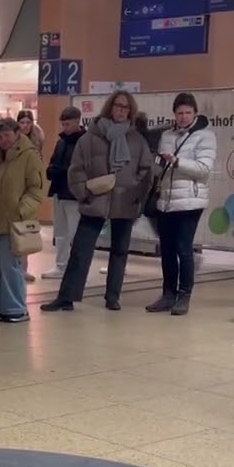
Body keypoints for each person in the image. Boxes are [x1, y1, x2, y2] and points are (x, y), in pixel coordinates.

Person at [41, 90, 152, 313]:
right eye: (118, 106)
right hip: (96, 201)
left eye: (125, 107)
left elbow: (146, 170)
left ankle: (113, 296)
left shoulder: (136, 140)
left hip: (124, 203)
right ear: (110, 107)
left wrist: (135, 192)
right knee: (81, 250)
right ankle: (67, 297)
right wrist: (84, 192)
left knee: (120, 251)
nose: (121, 110)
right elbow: (77, 169)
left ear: (130, 111)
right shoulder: (90, 138)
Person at [149, 92, 217, 316]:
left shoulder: (205, 137)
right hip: (166, 199)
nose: (184, 117)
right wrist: (158, 163)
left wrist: (178, 162)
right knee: (166, 248)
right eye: (180, 113)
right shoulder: (166, 135)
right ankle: (168, 293)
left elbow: (204, 169)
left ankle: (184, 294)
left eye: (188, 112)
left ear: (195, 113)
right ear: (174, 114)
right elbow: (160, 166)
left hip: (191, 200)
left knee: (183, 247)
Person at [0, 118, 44, 323]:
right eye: (0, 137)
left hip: (16, 222)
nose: (3, 140)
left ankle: (17, 308)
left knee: (12, 267)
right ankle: (4, 307)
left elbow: (37, 189)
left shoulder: (29, 156)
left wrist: (21, 210)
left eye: (7, 135)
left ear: (18, 134)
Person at [42, 106, 84, 279]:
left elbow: (79, 169)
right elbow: (53, 164)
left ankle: (77, 268)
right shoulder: (61, 142)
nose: (65, 128)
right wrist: (54, 170)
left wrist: (60, 171)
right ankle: (61, 265)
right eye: (63, 124)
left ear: (77, 121)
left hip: (74, 194)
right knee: (60, 232)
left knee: (75, 233)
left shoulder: (84, 142)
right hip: (59, 191)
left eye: (67, 124)